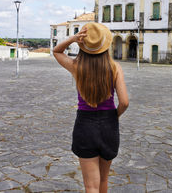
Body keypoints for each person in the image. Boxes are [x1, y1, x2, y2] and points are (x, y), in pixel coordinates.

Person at [53, 22, 129, 193]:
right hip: (109, 124)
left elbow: (57, 51)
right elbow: (124, 102)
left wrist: (73, 39)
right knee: (103, 181)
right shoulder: (115, 68)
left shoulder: (77, 66)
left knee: (90, 186)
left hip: (85, 125)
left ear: (83, 45)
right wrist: (114, 117)